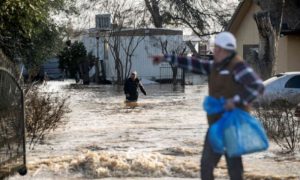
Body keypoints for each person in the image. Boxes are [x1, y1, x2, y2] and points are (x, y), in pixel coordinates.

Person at [152, 31, 264, 180]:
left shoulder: (238, 67)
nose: (214, 51)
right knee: (206, 164)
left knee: (234, 169)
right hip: (216, 125)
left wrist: (236, 101)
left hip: (232, 126)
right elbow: (194, 64)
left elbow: (257, 86)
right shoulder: (214, 66)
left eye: (217, 48)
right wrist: (166, 57)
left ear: (226, 50)